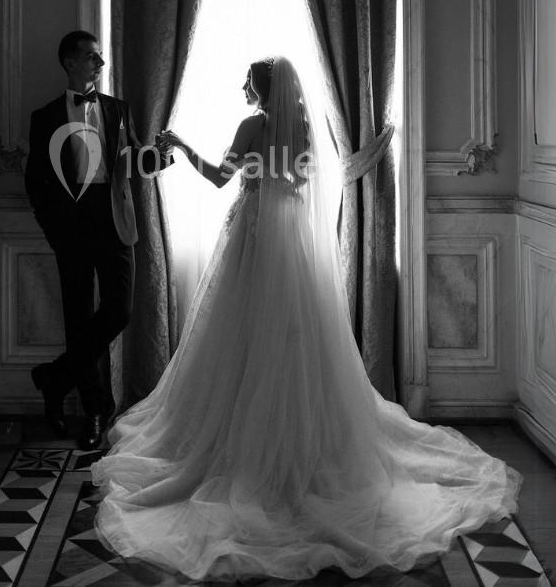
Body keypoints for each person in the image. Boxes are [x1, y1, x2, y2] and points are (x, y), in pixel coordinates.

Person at [90, 56, 521, 581]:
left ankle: (247, 449)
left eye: (248, 81)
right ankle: (303, 445)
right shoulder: (303, 127)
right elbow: (301, 180)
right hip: (290, 240)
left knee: (242, 337)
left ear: (262, 88)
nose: (242, 87)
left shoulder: (253, 125)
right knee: (294, 338)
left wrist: (180, 146)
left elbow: (221, 179)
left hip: (254, 237)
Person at [24, 30, 172, 449]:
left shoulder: (117, 109)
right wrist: (53, 231)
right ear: (70, 62)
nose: (100, 64)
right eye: (92, 57)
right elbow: (35, 182)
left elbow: (136, 158)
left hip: (115, 222)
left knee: (118, 311)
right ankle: (95, 412)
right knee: (78, 317)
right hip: (70, 227)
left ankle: (54, 377)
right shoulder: (45, 117)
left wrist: (160, 156)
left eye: (101, 57)